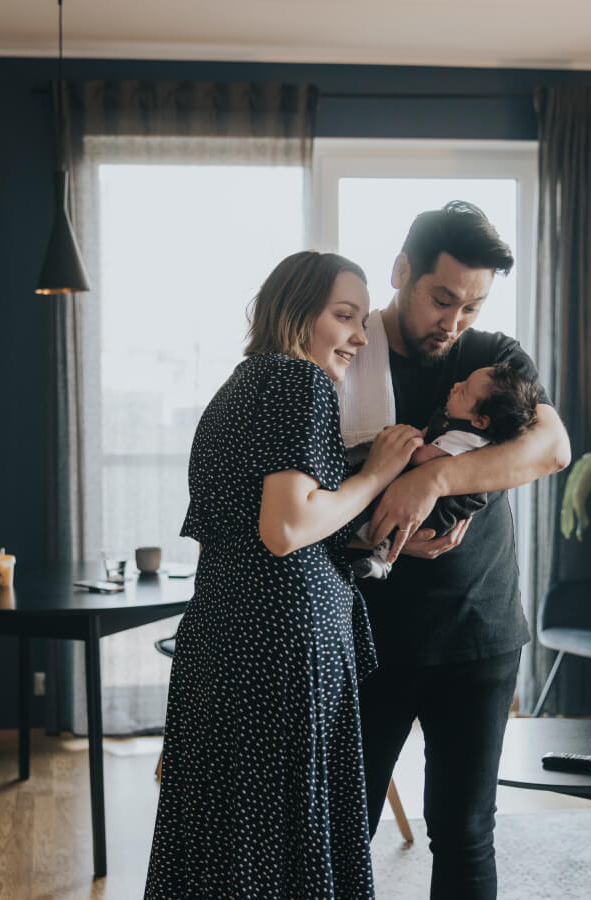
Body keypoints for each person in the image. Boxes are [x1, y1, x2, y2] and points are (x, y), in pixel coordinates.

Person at [145, 250, 424, 900]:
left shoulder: (241, 386)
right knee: (283, 851)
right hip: (280, 656)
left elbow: (268, 525)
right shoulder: (298, 383)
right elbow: (287, 527)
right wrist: (376, 475)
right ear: (297, 315)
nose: (360, 335)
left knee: (229, 848)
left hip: (228, 644)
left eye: (362, 318)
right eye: (344, 316)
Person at [345, 202, 571, 899]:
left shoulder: (491, 357)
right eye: (443, 299)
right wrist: (375, 528)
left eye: (471, 306)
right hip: (369, 637)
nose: (455, 323)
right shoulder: (346, 351)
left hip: (480, 634)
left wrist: (433, 480)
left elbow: (551, 447)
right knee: (340, 824)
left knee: (465, 829)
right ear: (401, 272)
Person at [351, 363, 545, 579]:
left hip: (444, 508)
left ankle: (381, 561)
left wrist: (402, 439)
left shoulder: (465, 438)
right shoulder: (457, 421)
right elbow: (430, 434)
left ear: (480, 421)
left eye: (463, 391)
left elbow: (421, 456)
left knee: (395, 522)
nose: (455, 385)